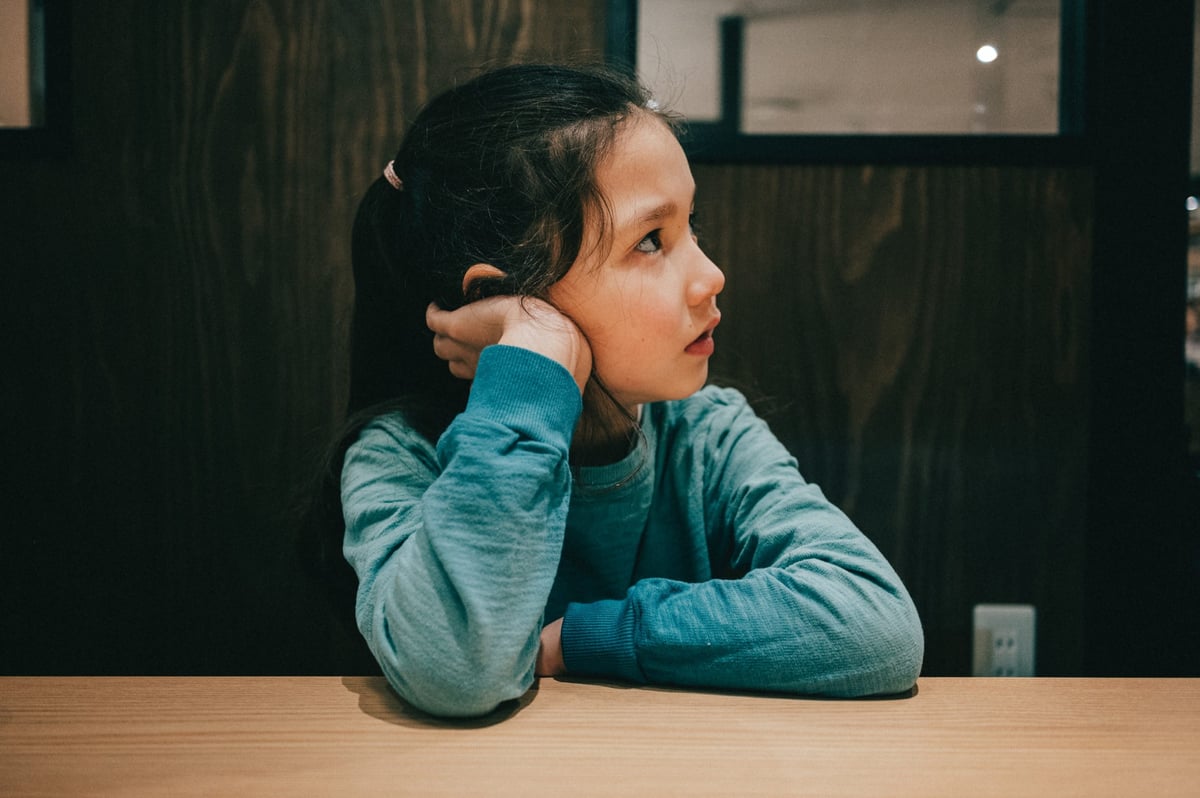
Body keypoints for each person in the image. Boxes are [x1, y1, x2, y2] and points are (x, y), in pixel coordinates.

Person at [319, 63, 923, 718]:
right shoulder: (400, 457)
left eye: (694, 226)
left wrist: (582, 640)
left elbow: (874, 625)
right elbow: (458, 669)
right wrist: (533, 360)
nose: (711, 276)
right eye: (651, 241)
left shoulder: (708, 436)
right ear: (497, 298)